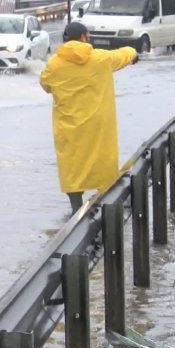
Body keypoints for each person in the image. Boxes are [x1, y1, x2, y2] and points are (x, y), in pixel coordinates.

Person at [39, 22, 139, 213]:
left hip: (68, 128)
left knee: (72, 169)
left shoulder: (54, 64)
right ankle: (105, 208)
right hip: (98, 127)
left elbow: (45, 85)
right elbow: (122, 55)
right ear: (84, 38)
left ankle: (76, 212)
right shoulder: (100, 59)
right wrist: (133, 53)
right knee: (103, 166)